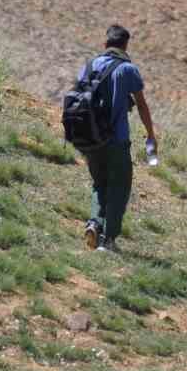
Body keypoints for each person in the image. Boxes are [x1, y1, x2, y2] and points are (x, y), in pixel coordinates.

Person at [78, 25, 156, 253]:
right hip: (117, 140)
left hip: (91, 139)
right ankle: (108, 239)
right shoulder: (128, 69)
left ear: (105, 44)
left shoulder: (89, 66)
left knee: (99, 184)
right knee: (119, 187)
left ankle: (94, 223)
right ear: (125, 45)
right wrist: (150, 134)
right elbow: (141, 104)